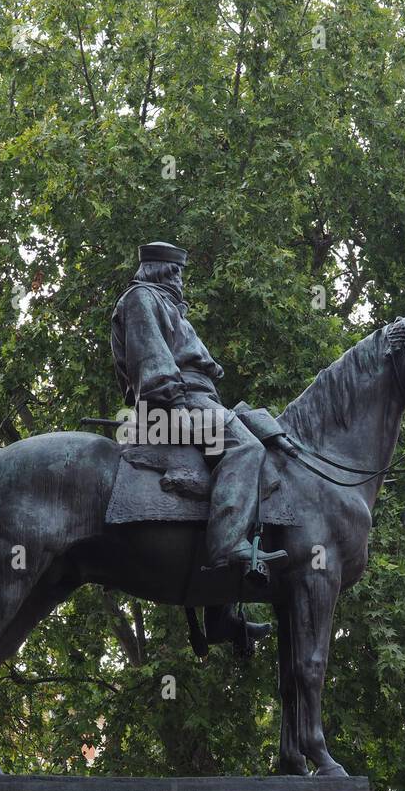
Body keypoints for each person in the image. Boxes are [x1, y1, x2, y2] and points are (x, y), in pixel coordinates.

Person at [110, 242, 288, 575]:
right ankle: (230, 545)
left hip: (198, 398)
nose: (180, 280)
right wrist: (176, 404)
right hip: (172, 401)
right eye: (176, 272)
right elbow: (152, 357)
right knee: (245, 448)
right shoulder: (141, 299)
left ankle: (224, 614)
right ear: (161, 270)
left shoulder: (169, 306)